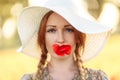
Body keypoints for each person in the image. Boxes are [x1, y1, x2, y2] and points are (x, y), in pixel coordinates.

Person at [17, 0, 113, 80]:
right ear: (42, 38)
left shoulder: (98, 78)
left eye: (68, 30)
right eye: (52, 30)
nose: (60, 39)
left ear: (78, 37)